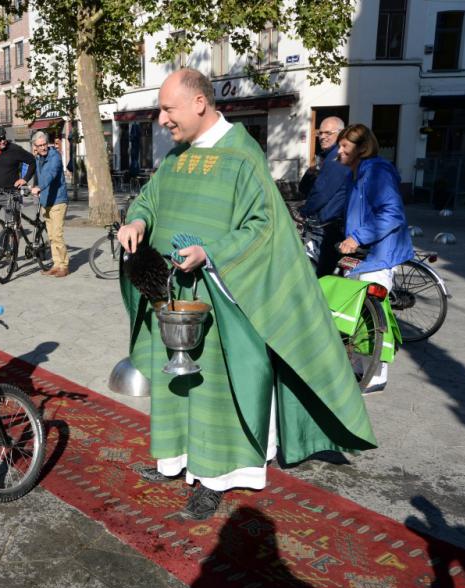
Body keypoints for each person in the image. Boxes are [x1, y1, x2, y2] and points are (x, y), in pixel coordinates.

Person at [116, 70, 377, 520]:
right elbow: (148, 201)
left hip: (223, 294)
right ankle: (175, 461)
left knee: (216, 386)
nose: (162, 120)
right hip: (173, 294)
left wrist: (211, 252)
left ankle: (216, 479)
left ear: (199, 103)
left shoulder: (242, 154)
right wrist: (138, 222)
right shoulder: (176, 157)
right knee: (175, 381)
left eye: (168, 110)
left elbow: (263, 227)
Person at [336, 123, 414, 393]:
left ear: (361, 148)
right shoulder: (356, 174)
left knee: (373, 316)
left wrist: (357, 237)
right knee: (359, 314)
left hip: (379, 255)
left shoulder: (377, 171)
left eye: (345, 146)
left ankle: (377, 374)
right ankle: (360, 367)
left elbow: (392, 213)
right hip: (364, 255)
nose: (339, 150)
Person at [298, 117, 350, 276]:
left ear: (341, 134)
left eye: (328, 132)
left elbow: (322, 192)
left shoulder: (336, 157)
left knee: (319, 274)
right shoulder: (327, 156)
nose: (322, 136)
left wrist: (304, 211)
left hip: (328, 224)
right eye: (320, 133)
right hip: (332, 220)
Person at [0, 125, 36, 267]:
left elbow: (32, 161)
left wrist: (25, 179)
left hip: (11, 193)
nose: (2, 141)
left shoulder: (15, 149)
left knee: (13, 226)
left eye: (3, 138)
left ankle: (13, 257)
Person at [29, 132, 69, 277]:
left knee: (57, 235)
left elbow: (50, 174)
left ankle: (63, 266)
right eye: (40, 146)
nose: (43, 147)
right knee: (51, 236)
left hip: (58, 200)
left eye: (44, 144)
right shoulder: (38, 158)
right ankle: (56, 264)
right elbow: (36, 175)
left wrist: (40, 187)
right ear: (35, 147)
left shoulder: (55, 157)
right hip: (46, 201)